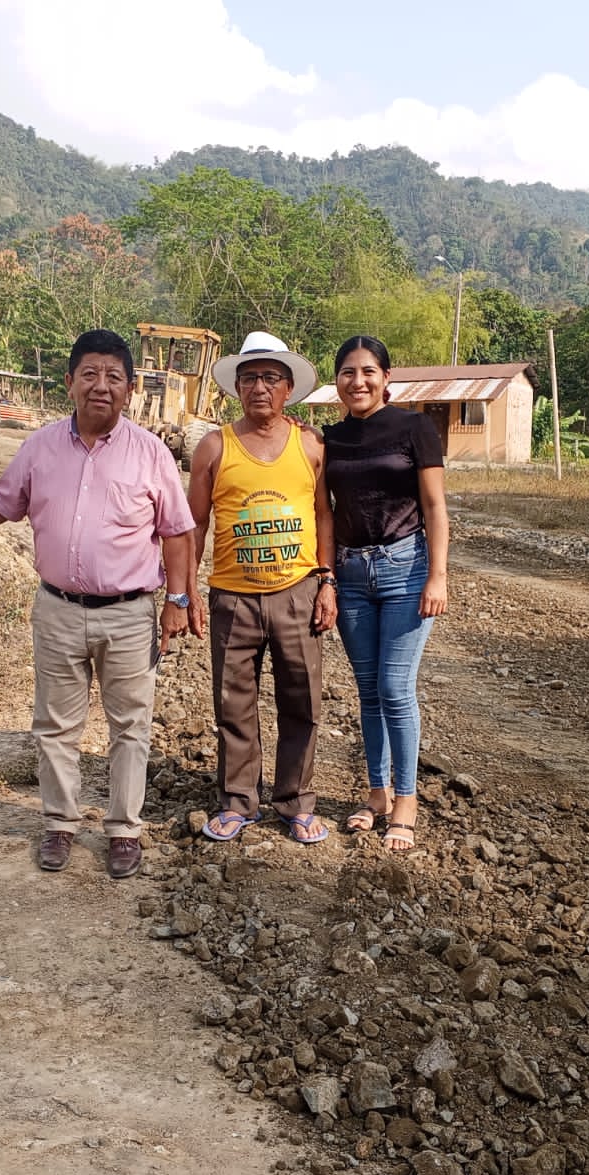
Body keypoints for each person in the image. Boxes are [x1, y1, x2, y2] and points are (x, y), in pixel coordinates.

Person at [0, 329, 198, 880]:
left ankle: (124, 830)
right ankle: (60, 822)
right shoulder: (40, 447)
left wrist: (178, 599)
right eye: (90, 374)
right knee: (55, 725)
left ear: (130, 388)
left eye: (113, 377)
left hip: (129, 614)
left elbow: (177, 532)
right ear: (70, 382)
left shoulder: (150, 453)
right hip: (57, 609)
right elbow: (0, 505)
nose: (101, 386)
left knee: (130, 726)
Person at [190, 332, 336, 844]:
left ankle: (296, 801)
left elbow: (323, 515)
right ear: (236, 387)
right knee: (233, 703)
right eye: (249, 378)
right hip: (232, 595)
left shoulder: (311, 445)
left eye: (271, 378)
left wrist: (327, 581)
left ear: (288, 388)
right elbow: (195, 524)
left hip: (298, 591)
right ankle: (238, 801)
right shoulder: (214, 446)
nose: (259, 387)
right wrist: (186, 589)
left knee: (303, 701)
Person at [324, 335, 449, 852]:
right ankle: (376, 794)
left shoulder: (415, 428)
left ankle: (406, 800)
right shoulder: (331, 439)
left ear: (386, 378)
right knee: (369, 690)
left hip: (405, 570)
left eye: (368, 371)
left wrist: (438, 576)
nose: (358, 381)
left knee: (396, 689)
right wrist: (328, 578)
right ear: (337, 381)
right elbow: (326, 512)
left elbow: (435, 507)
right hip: (351, 573)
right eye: (348, 372)